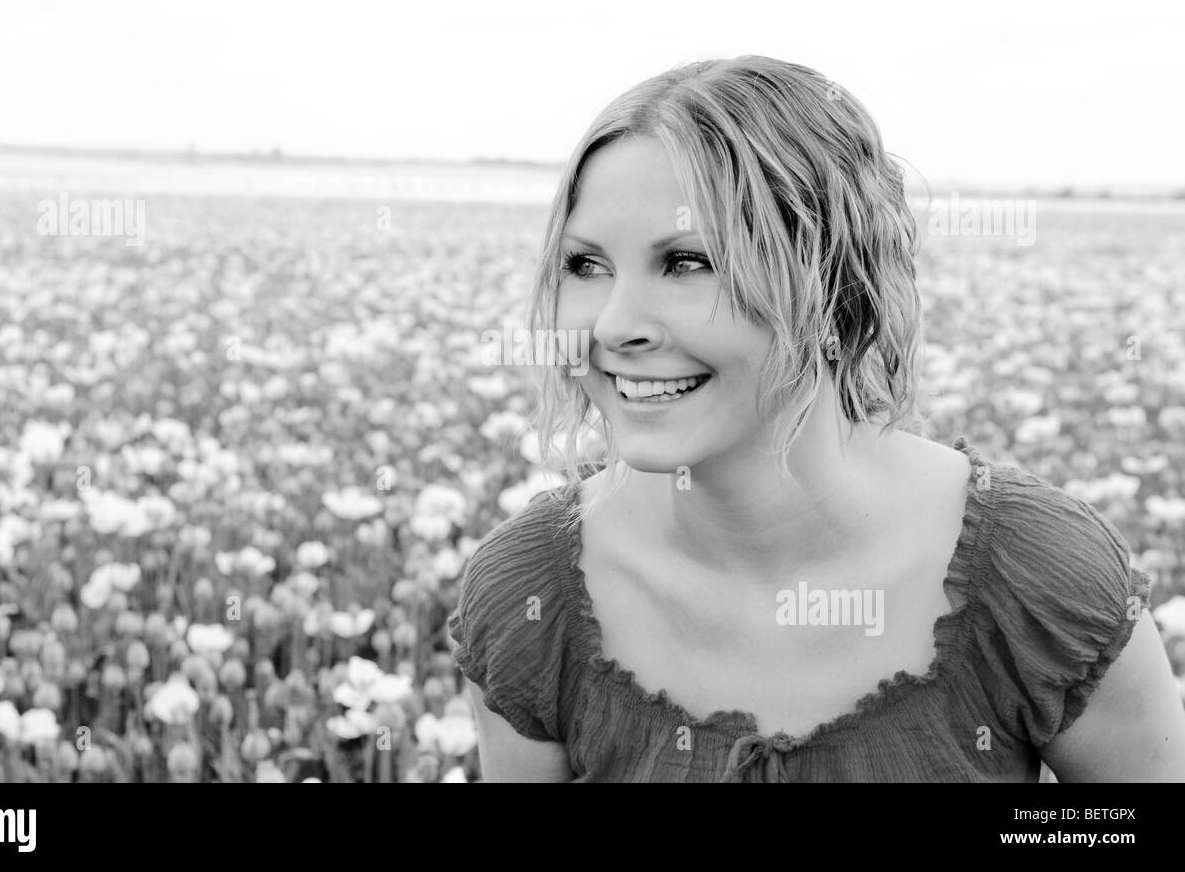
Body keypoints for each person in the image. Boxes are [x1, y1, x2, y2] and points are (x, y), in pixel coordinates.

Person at [447, 55, 1185, 782]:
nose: (613, 325)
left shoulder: (1038, 577)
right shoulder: (528, 600)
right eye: (585, 265)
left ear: (830, 280)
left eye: (686, 262)